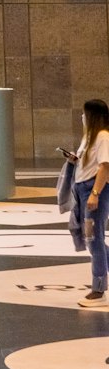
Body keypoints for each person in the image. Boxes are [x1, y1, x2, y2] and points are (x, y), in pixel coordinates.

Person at [73, 98, 109, 307]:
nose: (82, 117)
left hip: (93, 190)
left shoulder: (103, 137)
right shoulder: (89, 137)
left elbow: (105, 167)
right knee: (91, 238)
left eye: (85, 113)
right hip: (81, 189)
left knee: (94, 238)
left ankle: (98, 289)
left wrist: (95, 193)